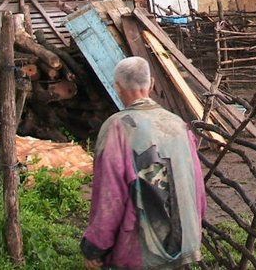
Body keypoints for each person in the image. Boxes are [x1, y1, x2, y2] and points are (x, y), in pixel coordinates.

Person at [81, 56, 207, 269]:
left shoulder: (117, 128)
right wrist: (195, 226)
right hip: (184, 242)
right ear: (152, 84)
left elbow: (110, 197)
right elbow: (196, 184)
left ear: (118, 87)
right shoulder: (178, 124)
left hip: (140, 251)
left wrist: (95, 246)